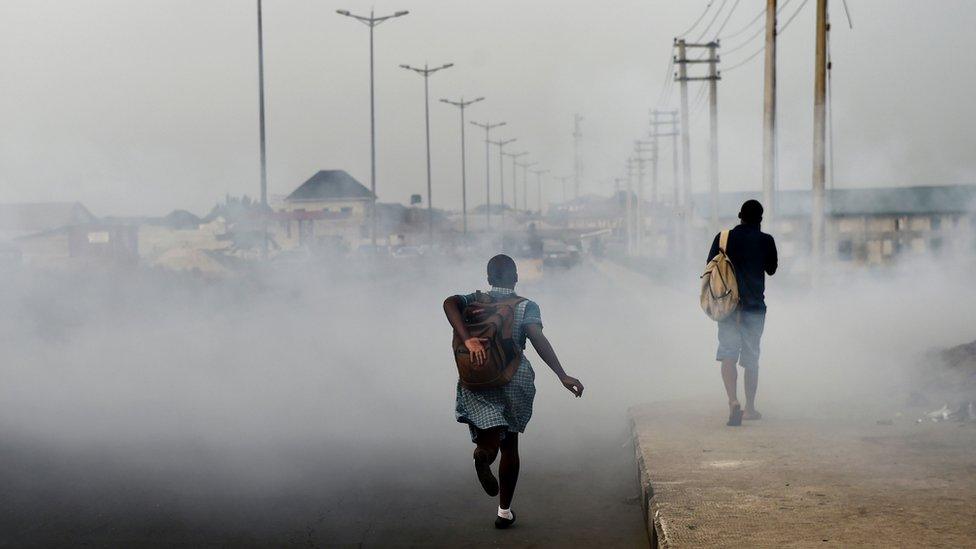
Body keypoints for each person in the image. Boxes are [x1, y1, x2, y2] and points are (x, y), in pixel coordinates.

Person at [443, 254, 584, 529]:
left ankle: (483, 455)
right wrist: (561, 374)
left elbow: (448, 303)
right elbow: (537, 337)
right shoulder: (526, 305)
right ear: (516, 277)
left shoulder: (472, 300)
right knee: (510, 445)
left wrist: (467, 338)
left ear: (488, 279)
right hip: (513, 379)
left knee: (489, 438)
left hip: (478, 377)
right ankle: (504, 512)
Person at [707, 200, 777, 426]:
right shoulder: (766, 240)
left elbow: (710, 266)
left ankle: (732, 401)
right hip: (754, 308)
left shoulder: (723, 238)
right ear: (760, 219)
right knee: (751, 358)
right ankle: (750, 408)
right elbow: (772, 269)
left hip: (727, 307)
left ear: (739, 215)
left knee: (728, 353)